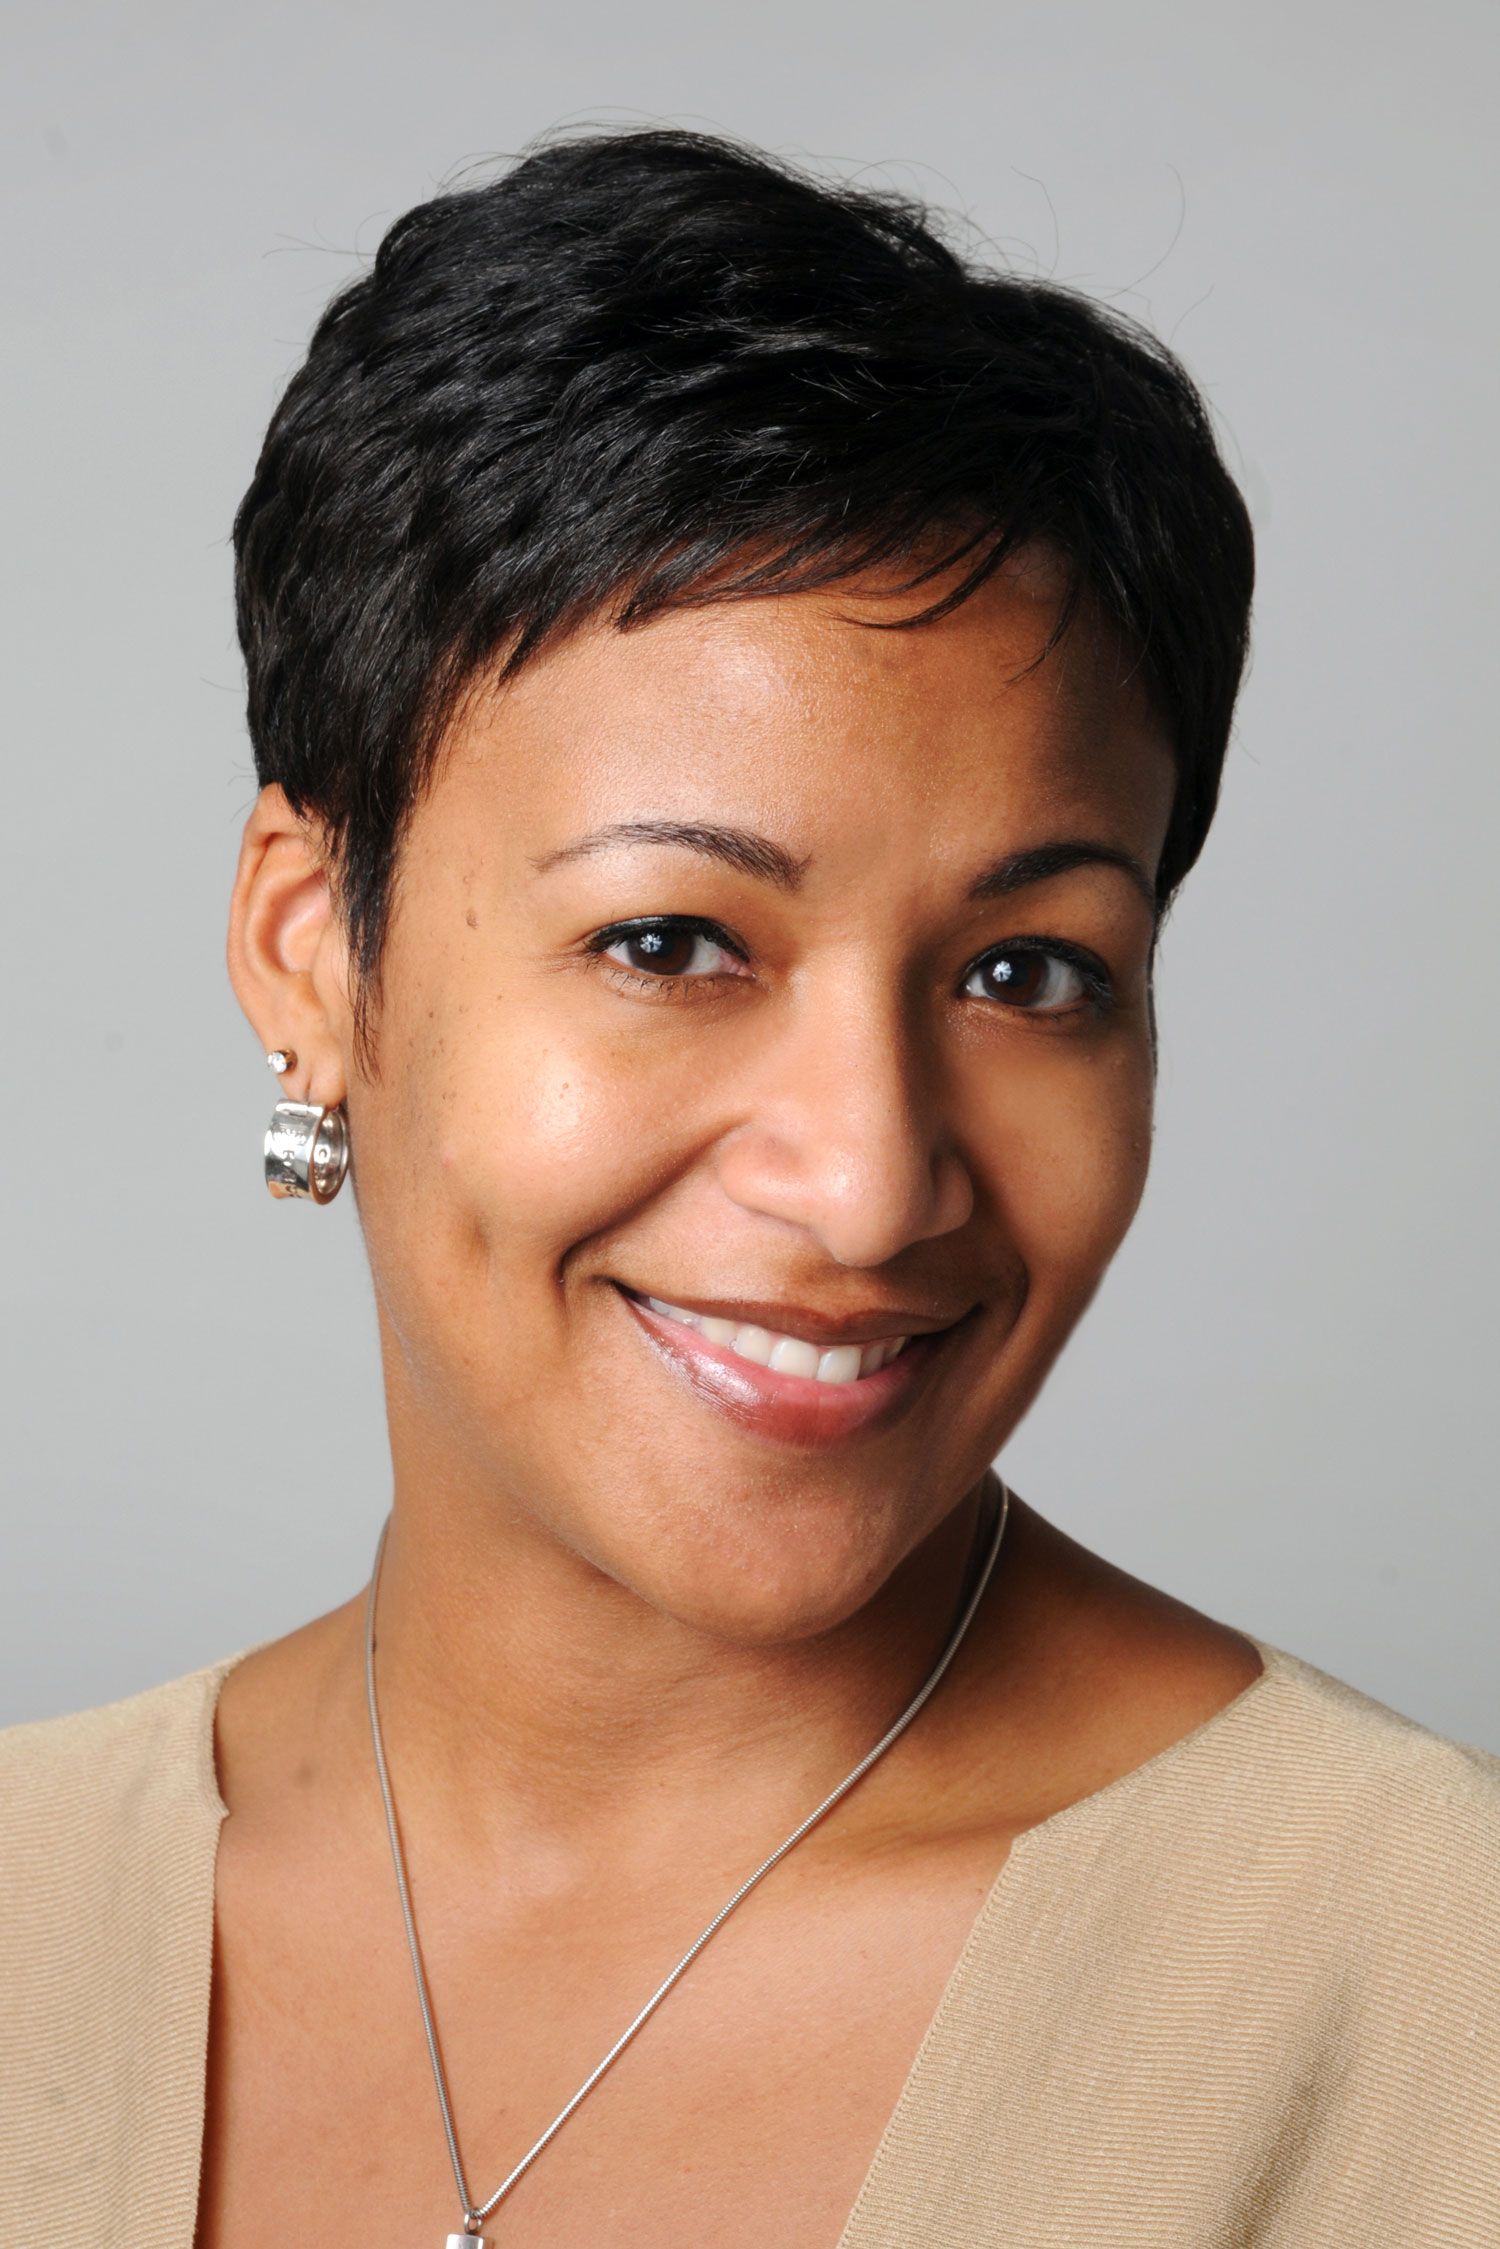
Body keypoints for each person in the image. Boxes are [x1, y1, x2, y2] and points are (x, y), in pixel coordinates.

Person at [2, 129, 1496, 2249]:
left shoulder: (1422, 1985)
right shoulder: (31, 1899)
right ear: (310, 951)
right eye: (674, 941)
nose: (871, 1185)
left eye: (1027, 972)